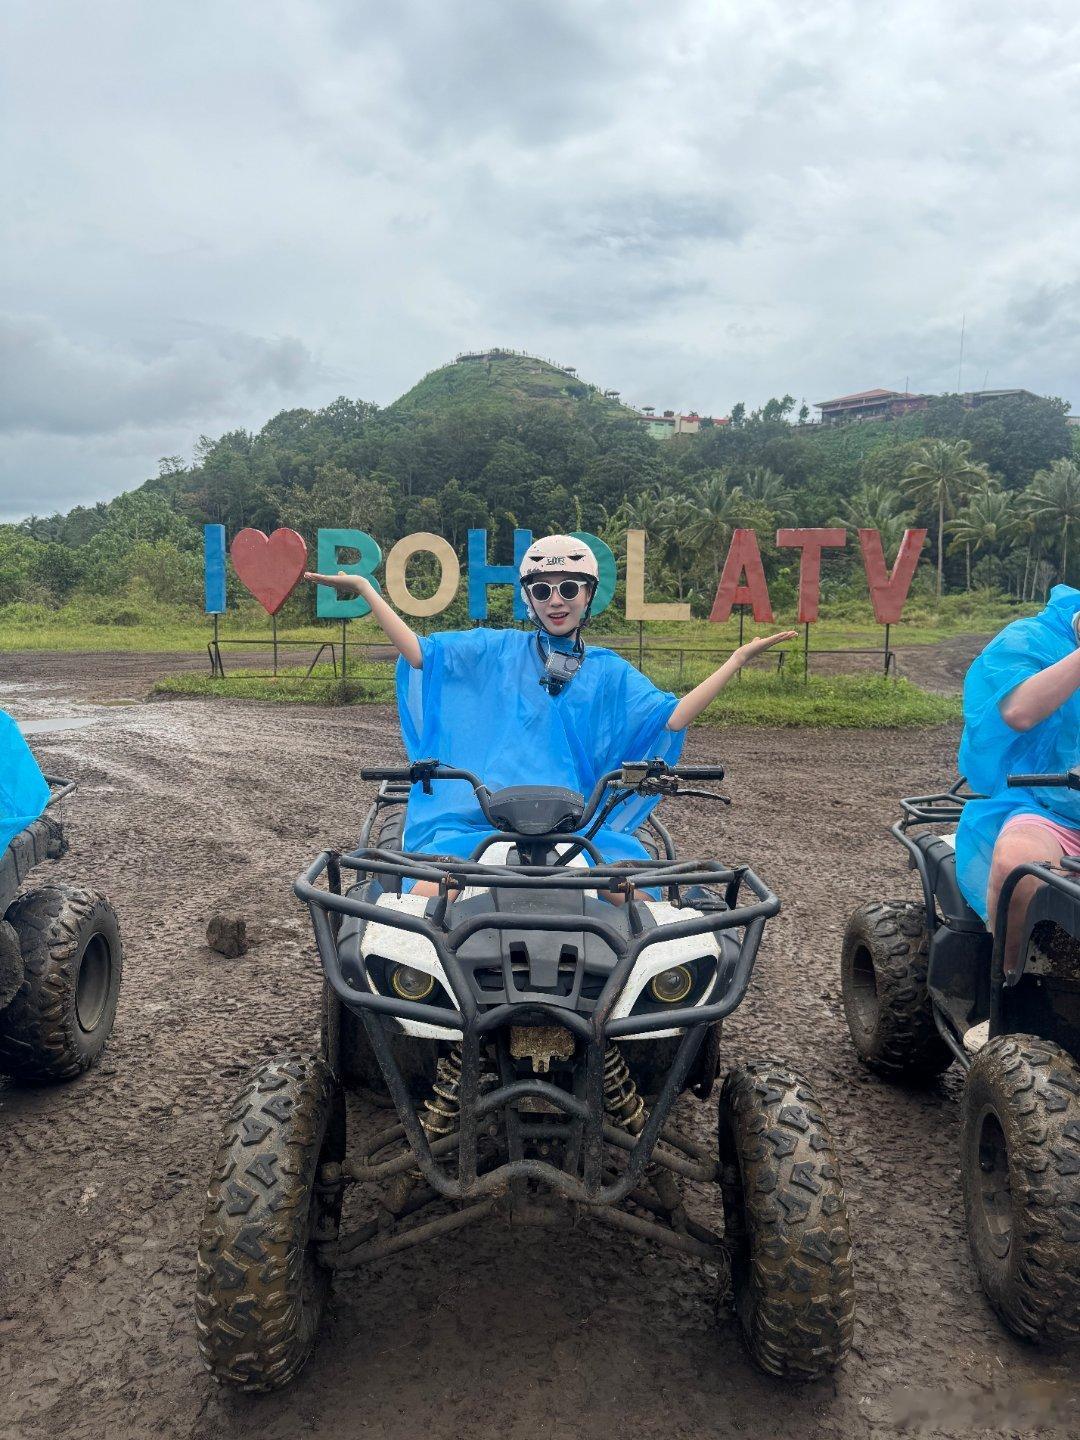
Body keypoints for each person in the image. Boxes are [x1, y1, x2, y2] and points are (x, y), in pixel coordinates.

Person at [305, 535, 793, 898]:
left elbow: (669, 717)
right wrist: (370, 592)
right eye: (542, 590)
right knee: (427, 898)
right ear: (528, 598)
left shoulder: (610, 672)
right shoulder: (494, 649)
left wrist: (733, 662)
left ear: (588, 594)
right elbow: (420, 655)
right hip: (480, 818)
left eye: (567, 587)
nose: (555, 599)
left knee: (640, 899)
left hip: (578, 827)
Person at [956, 584, 1080, 971]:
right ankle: (1010, 988)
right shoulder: (1031, 639)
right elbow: (1017, 711)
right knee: (1015, 864)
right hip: (1050, 805)